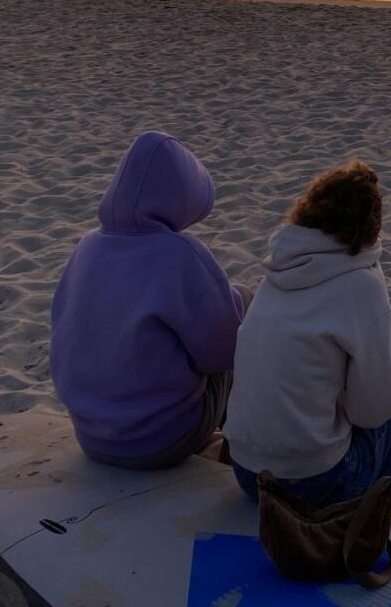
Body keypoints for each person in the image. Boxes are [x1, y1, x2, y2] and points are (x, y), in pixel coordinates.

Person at [224, 161, 391, 505]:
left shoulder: (278, 269)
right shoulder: (362, 284)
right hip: (312, 483)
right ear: (370, 228)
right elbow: (372, 413)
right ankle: (375, 503)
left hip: (245, 472)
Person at [50, 132, 248, 469]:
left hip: (92, 435)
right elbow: (222, 354)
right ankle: (245, 455)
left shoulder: (87, 247)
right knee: (246, 317)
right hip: (161, 440)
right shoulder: (181, 254)